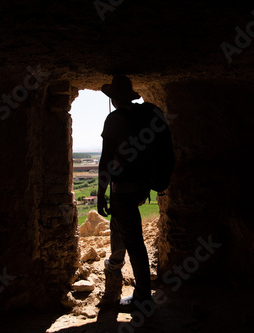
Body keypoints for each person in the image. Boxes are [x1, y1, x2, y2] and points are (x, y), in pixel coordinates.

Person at [97, 75, 155, 313]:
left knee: (135, 241)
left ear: (113, 98)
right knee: (121, 226)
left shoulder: (115, 119)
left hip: (122, 188)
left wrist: (101, 193)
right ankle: (115, 263)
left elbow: (106, 159)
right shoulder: (142, 118)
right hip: (140, 187)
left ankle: (143, 297)